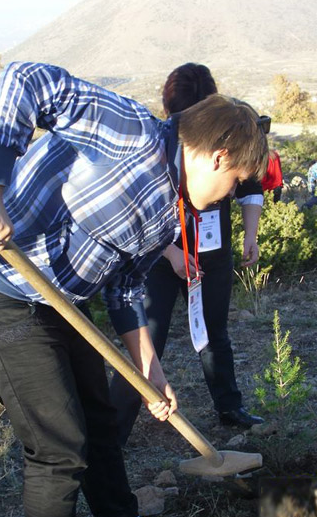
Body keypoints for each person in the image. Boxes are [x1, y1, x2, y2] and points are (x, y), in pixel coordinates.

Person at [0, 61, 268, 517]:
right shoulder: (131, 132)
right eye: (235, 181)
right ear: (219, 156)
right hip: (0, 286)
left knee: (98, 418)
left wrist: (150, 370)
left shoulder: (173, 205)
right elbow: (25, 80)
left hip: (61, 300)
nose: (231, 193)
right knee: (59, 448)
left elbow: (124, 282)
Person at [109, 63, 265, 441]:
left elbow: (250, 187)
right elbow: (136, 215)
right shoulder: (162, 158)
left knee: (214, 331)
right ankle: (113, 429)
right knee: (148, 340)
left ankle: (229, 405)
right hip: (160, 261)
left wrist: (250, 233)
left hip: (210, 255)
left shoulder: (230, 144)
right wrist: (171, 254)